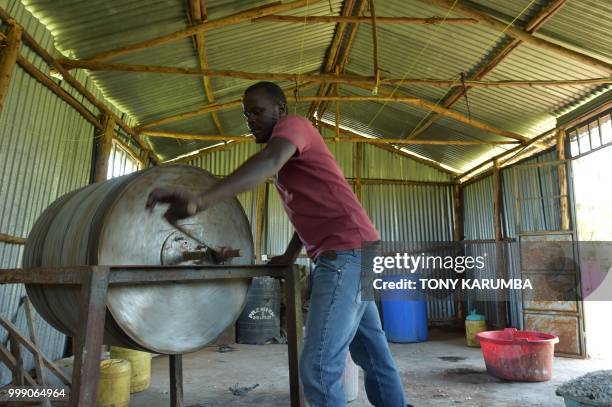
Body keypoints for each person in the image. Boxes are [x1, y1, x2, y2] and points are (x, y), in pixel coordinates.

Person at [146, 81, 406, 406]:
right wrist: (288, 254)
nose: (250, 120)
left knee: (318, 369)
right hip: (360, 250)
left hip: (346, 255)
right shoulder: (288, 158)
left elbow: (267, 163)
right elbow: (315, 210)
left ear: (280, 109)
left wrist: (199, 201)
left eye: (257, 111)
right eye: (245, 115)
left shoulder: (293, 127)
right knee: (371, 352)